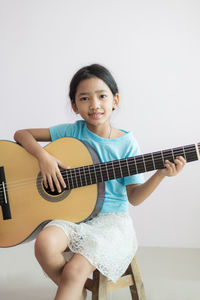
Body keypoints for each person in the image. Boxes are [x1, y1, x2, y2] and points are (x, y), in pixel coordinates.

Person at [14, 64, 186, 300]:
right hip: (74, 217)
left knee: (74, 270)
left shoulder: (127, 144)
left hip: (111, 223)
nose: (94, 105)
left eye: (102, 96)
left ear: (115, 100)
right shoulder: (72, 132)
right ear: (74, 106)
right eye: (84, 98)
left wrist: (160, 174)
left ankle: (73, 285)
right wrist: (43, 157)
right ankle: (77, 289)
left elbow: (134, 198)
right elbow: (22, 134)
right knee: (43, 243)